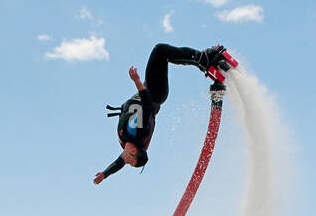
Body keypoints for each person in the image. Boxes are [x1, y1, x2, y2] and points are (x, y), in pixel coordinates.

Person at [93, 43, 230, 184]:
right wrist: (136, 81)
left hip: (151, 89)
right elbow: (146, 104)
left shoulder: (129, 141)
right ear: (133, 152)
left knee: (162, 54)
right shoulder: (137, 133)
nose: (125, 162)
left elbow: (118, 163)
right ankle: (204, 58)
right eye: (130, 162)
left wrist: (104, 174)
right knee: (160, 51)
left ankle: (204, 58)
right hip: (155, 92)